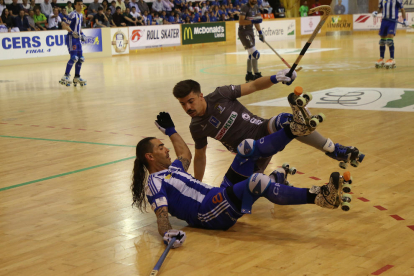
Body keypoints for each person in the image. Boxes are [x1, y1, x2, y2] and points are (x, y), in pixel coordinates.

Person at [132, 108, 350, 247]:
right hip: (207, 212)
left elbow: (185, 154)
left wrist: (170, 130)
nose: (167, 150)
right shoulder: (154, 183)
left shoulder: (174, 169)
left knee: (246, 148)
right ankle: (321, 197)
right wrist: (167, 233)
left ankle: (295, 130)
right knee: (258, 182)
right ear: (150, 156)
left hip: (217, 195)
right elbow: (161, 214)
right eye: (161, 148)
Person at [172, 70, 365, 182]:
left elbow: (254, 86)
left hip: (263, 131)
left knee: (287, 120)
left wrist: (275, 78)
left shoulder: (220, 94)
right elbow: (200, 156)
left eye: (190, 101)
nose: (188, 107)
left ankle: (333, 149)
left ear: (200, 96)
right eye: (182, 104)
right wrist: (196, 184)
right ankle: (278, 176)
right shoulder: (196, 127)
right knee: (248, 190)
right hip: (249, 154)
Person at [60, 0, 87, 87]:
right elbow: (65, 26)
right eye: (79, 4)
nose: (81, 6)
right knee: (74, 57)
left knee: (81, 58)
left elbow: (79, 28)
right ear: (75, 6)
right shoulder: (72, 14)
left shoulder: (81, 15)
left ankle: (77, 77)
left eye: (82, 4)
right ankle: (66, 75)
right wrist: (72, 33)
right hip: (71, 38)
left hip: (78, 39)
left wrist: (82, 34)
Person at [373, 0, 407, 69]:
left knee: (389, 41)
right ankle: (381, 59)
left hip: (392, 21)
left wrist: (405, 20)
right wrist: (376, 12)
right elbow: (380, 9)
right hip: (384, 21)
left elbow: (402, 9)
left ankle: (392, 59)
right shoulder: (383, 0)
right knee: (382, 41)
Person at [238, 0, 264, 82]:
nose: (255, 0)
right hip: (243, 32)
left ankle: (249, 74)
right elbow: (241, 22)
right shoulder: (245, 7)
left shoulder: (256, 7)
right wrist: (252, 21)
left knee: (251, 54)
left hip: (251, 32)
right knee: (255, 53)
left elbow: (256, 23)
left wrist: (260, 33)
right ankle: (257, 74)